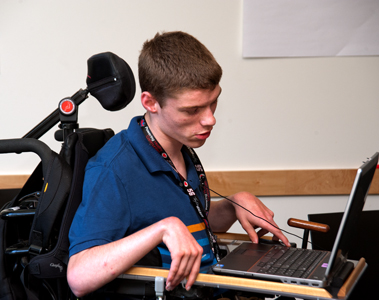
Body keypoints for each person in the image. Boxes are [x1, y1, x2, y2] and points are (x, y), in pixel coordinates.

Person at [67, 31, 290, 298]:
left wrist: (232, 205)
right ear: (150, 103)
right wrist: (162, 229)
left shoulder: (179, 147)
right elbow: (79, 276)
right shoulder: (113, 170)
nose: (210, 120)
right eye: (192, 110)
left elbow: (191, 225)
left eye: (213, 102)